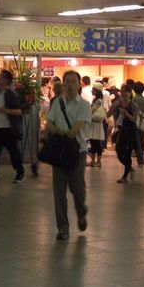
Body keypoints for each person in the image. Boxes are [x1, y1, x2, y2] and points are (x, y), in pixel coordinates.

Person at [44, 70, 90, 240]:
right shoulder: (57, 102)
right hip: (59, 151)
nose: (70, 85)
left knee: (77, 188)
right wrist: (53, 127)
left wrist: (61, 131)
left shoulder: (84, 105)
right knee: (59, 191)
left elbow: (77, 128)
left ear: (79, 84)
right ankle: (63, 227)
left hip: (77, 151)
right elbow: (49, 120)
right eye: (67, 82)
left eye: (73, 82)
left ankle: (81, 212)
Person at [0, 69, 24, 185]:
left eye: (1, 76)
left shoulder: (11, 94)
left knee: (13, 153)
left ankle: (20, 172)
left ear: (6, 79)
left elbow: (18, 111)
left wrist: (6, 110)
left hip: (8, 129)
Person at [113, 85, 139, 183]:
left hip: (130, 132)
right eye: (121, 91)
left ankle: (125, 176)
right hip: (120, 131)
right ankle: (130, 169)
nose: (122, 93)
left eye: (124, 91)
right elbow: (111, 111)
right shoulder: (118, 103)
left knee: (127, 154)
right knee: (119, 152)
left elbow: (135, 119)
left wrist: (125, 113)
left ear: (129, 93)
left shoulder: (133, 105)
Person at [132, 81, 144, 166]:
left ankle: (139, 159)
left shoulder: (133, 100)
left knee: (136, 141)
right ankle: (141, 159)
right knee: (141, 141)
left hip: (134, 121)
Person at [86, 88, 105, 167]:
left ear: (96, 91)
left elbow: (92, 110)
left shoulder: (98, 101)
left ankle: (98, 161)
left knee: (96, 143)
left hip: (95, 124)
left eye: (93, 90)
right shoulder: (97, 100)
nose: (91, 91)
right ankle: (93, 161)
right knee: (94, 143)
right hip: (94, 124)